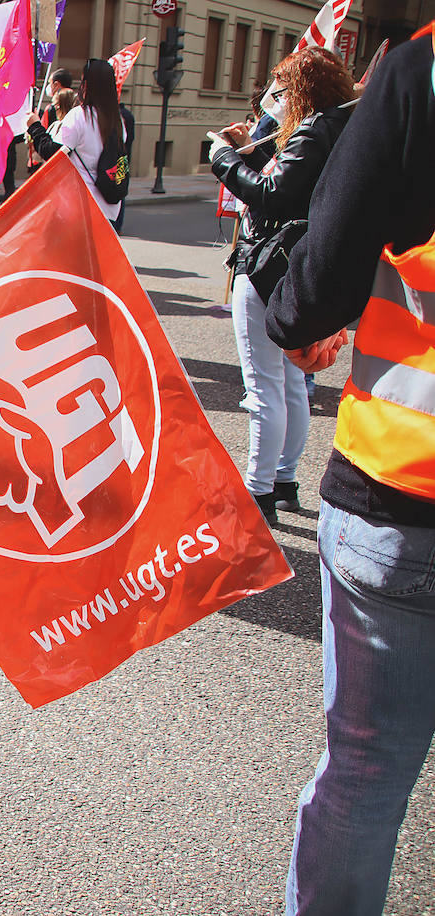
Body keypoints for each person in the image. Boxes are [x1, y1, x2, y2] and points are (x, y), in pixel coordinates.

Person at [265, 26, 435, 915]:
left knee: (366, 776)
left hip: (403, 495)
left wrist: (291, 310)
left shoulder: (422, 72)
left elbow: (316, 284)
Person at [210, 47, 354, 525]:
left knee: (264, 386)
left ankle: (259, 491)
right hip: (302, 265)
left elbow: (273, 195)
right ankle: (285, 479)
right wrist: (250, 146)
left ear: (302, 90)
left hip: (269, 262)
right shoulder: (337, 127)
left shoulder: (313, 129)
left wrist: (224, 161)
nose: (279, 99)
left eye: (285, 90)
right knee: (292, 381)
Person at [26, 58, 126, 227]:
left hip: (80, 206)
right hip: (108, 208)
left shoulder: (80, 115)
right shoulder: (118, 121)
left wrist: (35, 126)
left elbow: (52, 152)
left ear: (87, 84)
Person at [28, 67, 73, 174]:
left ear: (56, 84)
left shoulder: (50, 109)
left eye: (50, 83)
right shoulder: (77, 107)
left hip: (48, 160)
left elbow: (42, 133)